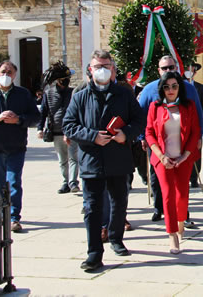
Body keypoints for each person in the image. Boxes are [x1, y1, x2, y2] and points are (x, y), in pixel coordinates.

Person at [63, 50, 145, 271]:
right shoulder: (80, 96)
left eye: (105, 66)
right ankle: (94, 253)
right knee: (92, 208)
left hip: (118, 158)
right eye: (97, 66)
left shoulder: (124, 94)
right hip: (92, 160)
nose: (101, 70)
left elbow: (139, 120)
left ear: (112, 69)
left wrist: (125, 134)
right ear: (90, 70)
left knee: (119, 203)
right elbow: (69, 125)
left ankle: (116, 238)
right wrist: (92, 137)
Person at [136, 55, 203, 223]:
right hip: (158, 144)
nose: (168, 70)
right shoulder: (149, 89)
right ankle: (159, 208)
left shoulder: (188, 88)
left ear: (177, 68)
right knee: (157, 177)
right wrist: (142, 137)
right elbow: (142, 114)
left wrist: (199, 136)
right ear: (159, 70)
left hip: (183, 142)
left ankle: (183, 213)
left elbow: (197, 113)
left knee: (182, 182)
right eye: (164, 68)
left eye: (171, 67)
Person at [145, 71, 201, 254]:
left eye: (174, 86)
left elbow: (194, 132)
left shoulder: (189, 106)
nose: (171, 90)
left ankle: (180, 221)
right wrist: (161, 156)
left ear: (179, 88)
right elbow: (149, 133)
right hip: (163, 159)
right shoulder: (155, 107)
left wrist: (186, 154)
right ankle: (172, 235)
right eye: (167, 86)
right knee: (168, 195)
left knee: (182, 195)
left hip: (183, 158)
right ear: (162, 89)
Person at [0, 60, 40, 233]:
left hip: (16, 146)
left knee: (14, 182)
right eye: (3, 72)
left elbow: (35, 117)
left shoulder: (22, 94)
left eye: (9, 72)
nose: (6, 75)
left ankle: (14, 217)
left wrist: (19, 120)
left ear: (15, 75)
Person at [37, 61, 78, 194]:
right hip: (56, 130)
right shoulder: (48, 94)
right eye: (62, 80)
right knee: (62, 159)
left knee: (73, 158)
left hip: (72, 131)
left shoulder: (73, 93)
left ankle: (73, 182)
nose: (65, 82)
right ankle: (65, 181)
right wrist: (40, 128)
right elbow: (43, 111)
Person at [185, 60, 203, 189]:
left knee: (196, 150)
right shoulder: (180, 85)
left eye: (191, 68)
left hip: (195, 124)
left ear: (194, 71)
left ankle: (195, 177)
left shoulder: (200, 87)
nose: (189, 70)